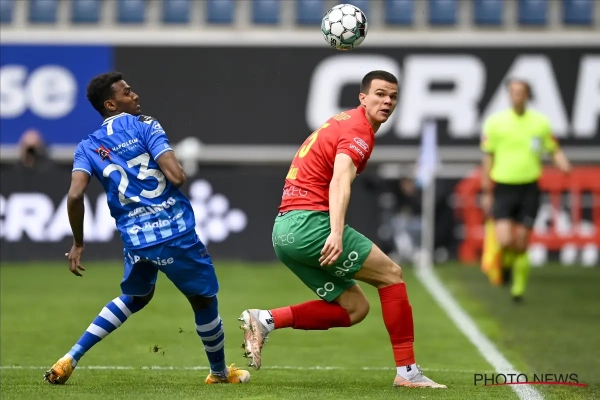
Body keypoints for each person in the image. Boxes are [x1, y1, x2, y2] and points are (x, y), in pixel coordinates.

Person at [238, 71, 446, 389]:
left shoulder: (344, 121)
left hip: (285, 231)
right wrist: (335, 232)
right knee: (391, 275)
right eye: (380, 94)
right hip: (310, 225)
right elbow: (339, 180)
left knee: (355, 308)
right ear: (363, 97)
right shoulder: (358, 129)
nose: (387, 101)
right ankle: (408, 372)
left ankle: (265, 319)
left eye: (393, 96)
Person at [44, 72, 250, 385]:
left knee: (136, 297)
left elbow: (74, 195)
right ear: (111, 104)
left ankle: (70, 358)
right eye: (127, 92)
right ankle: (220, 374)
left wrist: (78, 243)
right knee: (204, 300)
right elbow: (177, 177)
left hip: (136, 240)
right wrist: (175, 162)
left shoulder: (87, 147)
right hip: (174, 232)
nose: (135, 95)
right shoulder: (146, 125)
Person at [480, 79, 571, 302]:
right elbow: (488, 157)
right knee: (503, 239)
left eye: (520, 92)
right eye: (513, 92)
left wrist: (563, 163)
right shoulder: (495, 123)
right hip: (504, 186)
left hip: (529, 188)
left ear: (528, 95)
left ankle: (518, 289)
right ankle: (506, 265)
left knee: (521, 241)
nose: (517, 96)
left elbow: (553, 148)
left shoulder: (540, 123)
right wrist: (486, 190)